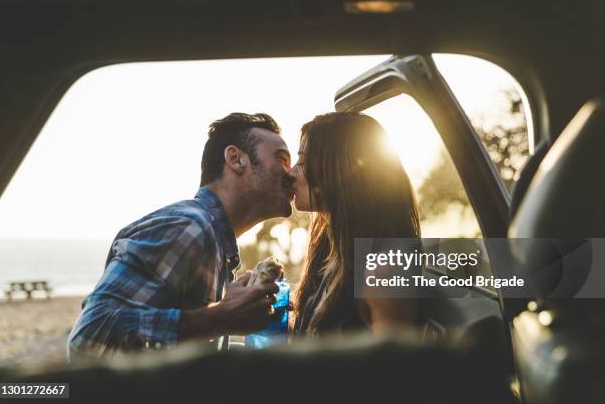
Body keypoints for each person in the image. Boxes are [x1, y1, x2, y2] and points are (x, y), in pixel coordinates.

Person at [68, 112, 294, 360]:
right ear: (236, 159)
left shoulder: (212, 240)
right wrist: (222, 317)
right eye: (282, 159)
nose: (291, 173)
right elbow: (89, 339)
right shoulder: (189, 228)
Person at [289, 112, 421, 338]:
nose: (292, 172)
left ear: (339, 170)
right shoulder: (330, 248)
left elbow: (397, 367)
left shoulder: (384, 269)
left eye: (302, 161)